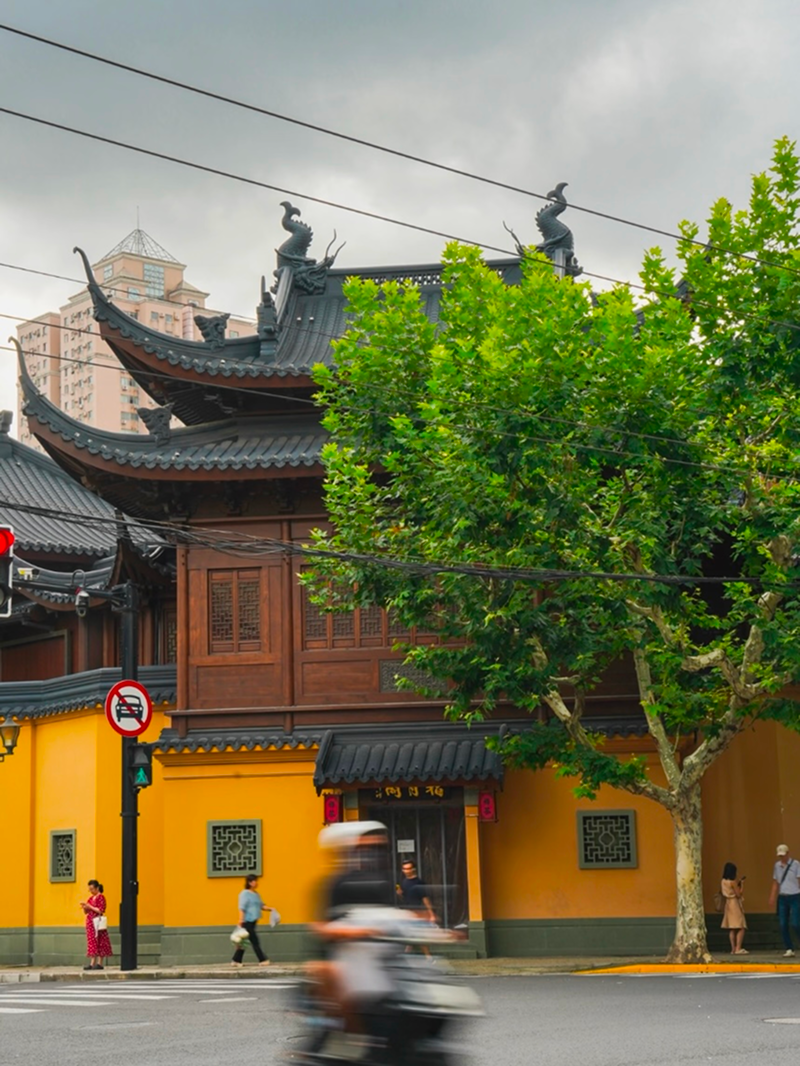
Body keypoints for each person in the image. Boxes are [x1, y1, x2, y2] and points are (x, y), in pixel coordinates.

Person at [231, 874, 274, 967]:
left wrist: (270, 909)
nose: (256, 882)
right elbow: (242, 908)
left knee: (244, 942)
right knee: (255, 941)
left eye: (256, 880)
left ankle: (236, 960)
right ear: (249, 882)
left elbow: (261, 905)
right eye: (254, 881)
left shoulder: (256, 894)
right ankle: (262, 959)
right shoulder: (244, 894)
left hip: (253, 922)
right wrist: (240, 920)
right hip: (247, 921)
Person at [769, 844, 800, 957]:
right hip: (782, 897)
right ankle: (789, 948)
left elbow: (799, 879)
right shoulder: (777, 866)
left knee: (795, 924)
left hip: (795, 896)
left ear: (788, 854)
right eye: (780, 856)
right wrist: (772, 896)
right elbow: (776, 882)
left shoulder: (796, 864)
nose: (782, 858)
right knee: (783, 924)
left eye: (783, 855)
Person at [80, 879, 112, 970]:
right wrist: (84, 907)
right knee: (92, 941)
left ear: (97, 888)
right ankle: (92, 962)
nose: (91, 891)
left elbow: (100, 910)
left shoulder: (101, 897)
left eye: (92, 889)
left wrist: (89, 906)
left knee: (100, 941)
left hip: (98, 922)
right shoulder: (90, 898)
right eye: (89, 889)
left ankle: (100, 963)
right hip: (90, 922)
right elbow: (86, 912)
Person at [720, 862, 747, 955]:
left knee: (732, 928)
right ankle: (738, 948)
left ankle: (733, 949)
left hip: (728, 904)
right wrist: (742, 885)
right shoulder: (733, 882)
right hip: (734, 903)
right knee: (741, 926)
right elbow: (739, 894)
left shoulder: (723, 881)